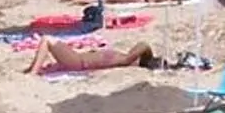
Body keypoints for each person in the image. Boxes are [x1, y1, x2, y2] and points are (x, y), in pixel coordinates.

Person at [25, 34, 163, 74]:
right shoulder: (125, 59)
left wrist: (148, 55)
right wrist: (149, 57)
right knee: (47, 41)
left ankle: (33, 72)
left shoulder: (127, 60)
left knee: (47, 40)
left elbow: (144, 44)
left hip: (78, 62)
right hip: (78, 60)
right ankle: (32, 70)